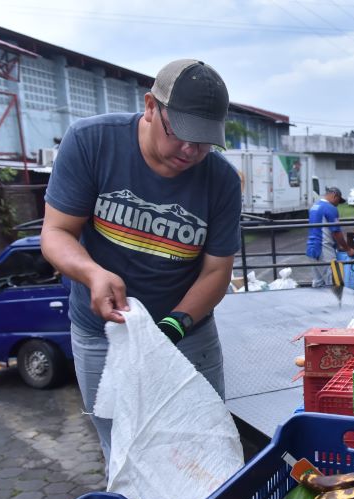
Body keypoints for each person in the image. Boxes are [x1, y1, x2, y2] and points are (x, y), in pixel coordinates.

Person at [40, 58, 242, 468]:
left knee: (204, 445)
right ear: (151, 106)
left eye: (204, 141)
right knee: (124, 450)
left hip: (187, 333)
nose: (191, 150)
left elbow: (217, 271)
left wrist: (175, 323)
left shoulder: (220, 180)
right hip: (101, 332)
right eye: (182, 134)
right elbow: (56, 232)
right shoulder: (91, 142)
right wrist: (92, 273)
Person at [306, 186, 354, 287]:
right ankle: (336, 302)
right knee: (334, 281)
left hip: (311, 248)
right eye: (338, 201)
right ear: (334, 195)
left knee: (318, 282)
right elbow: (336, 232)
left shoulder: (314, 207)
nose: (338, 204)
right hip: (324, 250)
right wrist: (348, 249)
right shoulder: (330, 208)